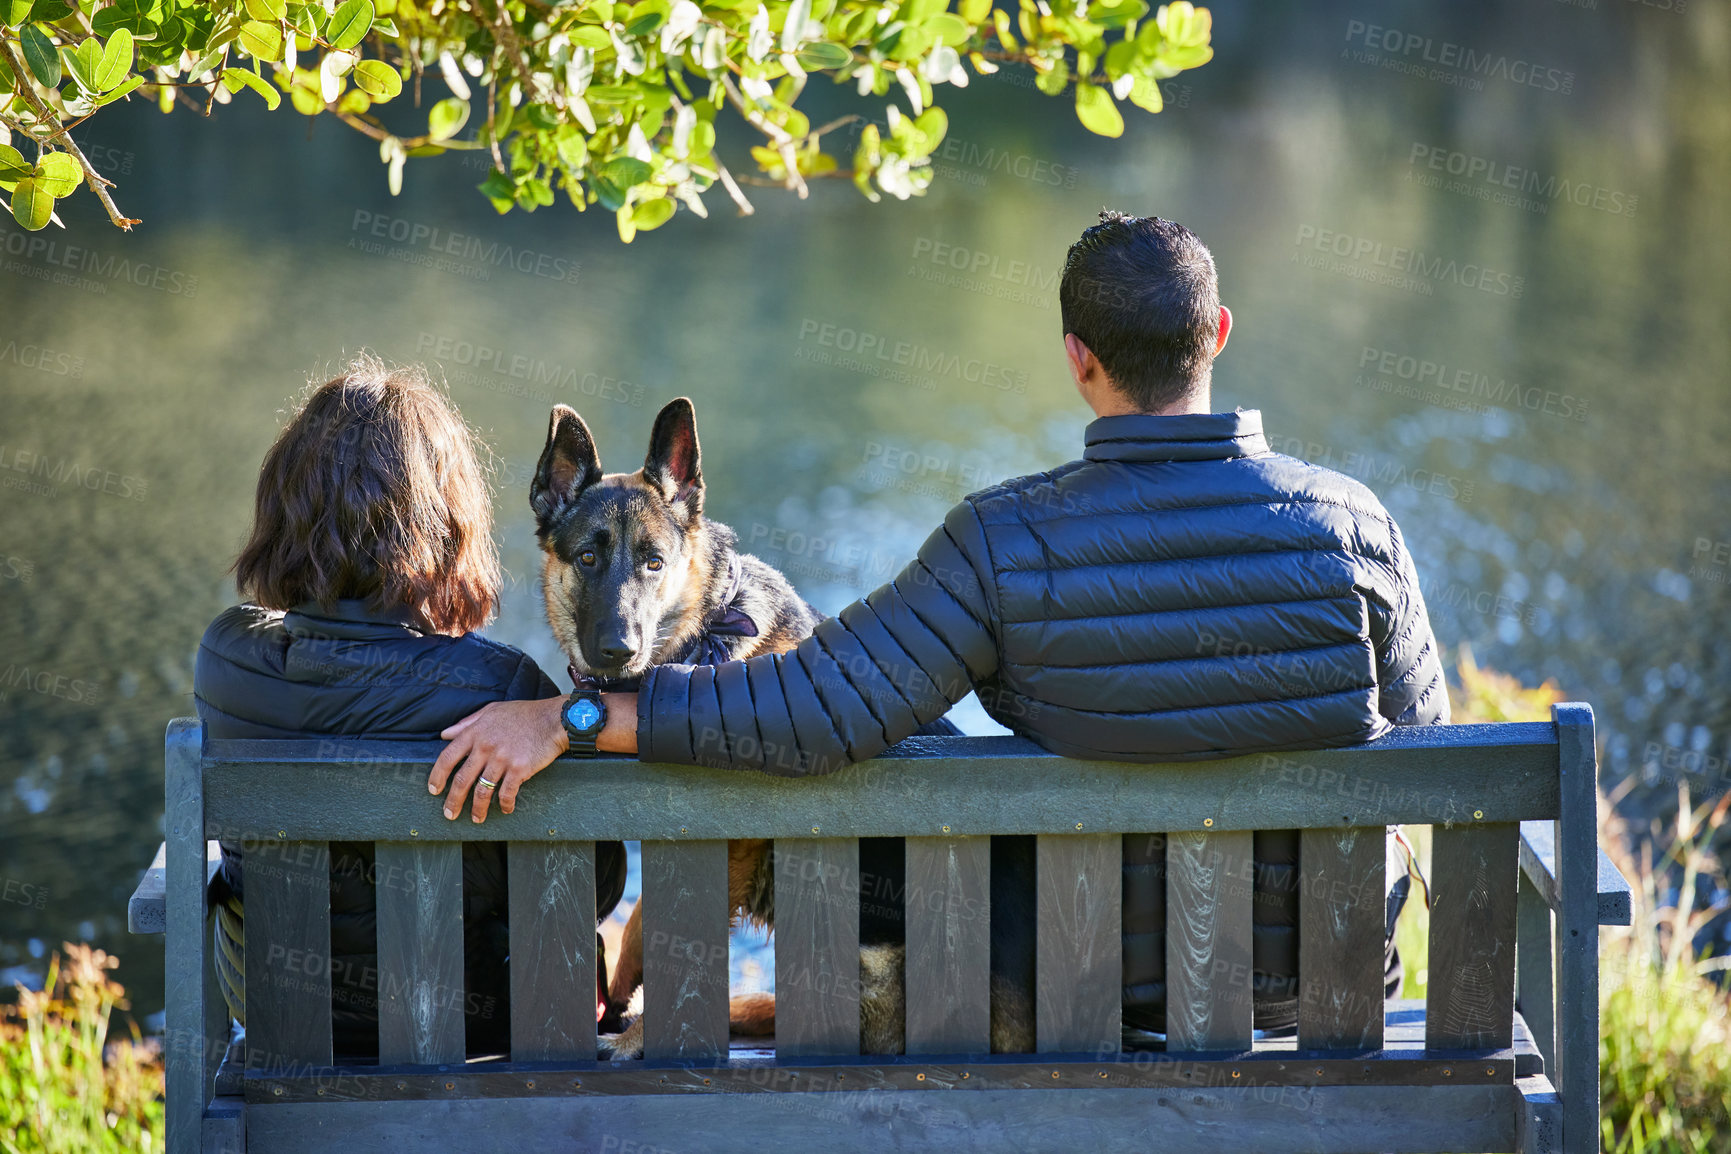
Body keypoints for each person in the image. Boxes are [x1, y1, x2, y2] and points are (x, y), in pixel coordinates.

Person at [429, 212, 1448, 1036]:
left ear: (1076, 357)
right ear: (1218, 334)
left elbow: (816, 708)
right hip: (1329, 1000)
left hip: (1088, 994)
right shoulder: (1358, 527)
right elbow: (1435, 759)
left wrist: (569, 719)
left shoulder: (1004, 540)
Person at [194, 357, 626, 1058]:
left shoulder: (227, 659)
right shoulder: (503, 688)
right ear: (447, 523)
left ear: (284, 508)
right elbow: (591, 886)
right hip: (473, 1022)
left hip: (281, 1014)